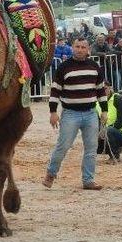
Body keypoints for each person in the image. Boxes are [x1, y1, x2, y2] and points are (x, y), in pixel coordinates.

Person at [42, 37, 108, 190]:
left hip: (91, 113)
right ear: (72, 48)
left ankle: (88, 180)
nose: (80, 49)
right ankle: (51, 174)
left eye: (83, 47)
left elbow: (100, 90)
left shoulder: (95, 67)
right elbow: (55, 91)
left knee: (91, 148)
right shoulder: (64, 67)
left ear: (88, 49)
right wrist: (53, 112)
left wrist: (104, 110)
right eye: (77, 46)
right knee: (63, 146)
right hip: (70, 114)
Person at [96, 82, 122, 160]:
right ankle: (109, 149)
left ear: (110, 88)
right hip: (107, 134)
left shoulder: (119, 99)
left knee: (109, 130)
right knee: (90, 137)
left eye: (105, 88)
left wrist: (104, 130)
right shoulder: (96, 103)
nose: (102, 91)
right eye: (99, 89)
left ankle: (115, 155)